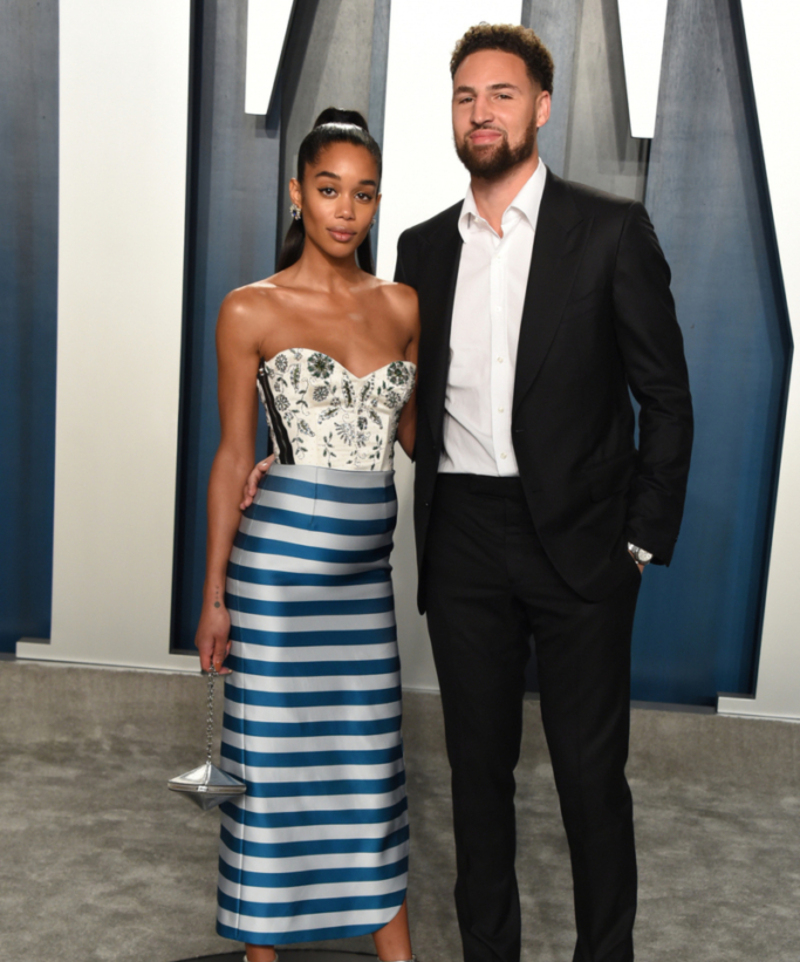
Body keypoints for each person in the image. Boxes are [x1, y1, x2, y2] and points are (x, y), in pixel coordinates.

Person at [392, 23, 693, 962]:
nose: (482, 114)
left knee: (590, 781)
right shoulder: (421, 248)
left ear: (543, 107)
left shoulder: (607, 231)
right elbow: (401, 400)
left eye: (502, 95)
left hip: (583, 545)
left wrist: (639, 542)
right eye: (465, 98)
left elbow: (667, 398)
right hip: (466, 539)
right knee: (477, 780)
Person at [194, 108, 419, 962]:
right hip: (278, 580)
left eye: (363, 195)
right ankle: (263, 954)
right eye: (328, 190)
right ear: (298, 192)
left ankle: (398, 951)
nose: (345, 210)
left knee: (371, 771)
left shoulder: (402, 306)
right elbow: (230, 459)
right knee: (273, 772)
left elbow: (416, 441)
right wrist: (215, 597)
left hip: (365, 584)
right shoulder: (251, 308)